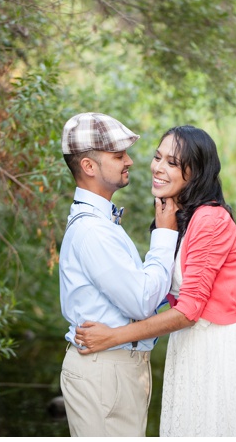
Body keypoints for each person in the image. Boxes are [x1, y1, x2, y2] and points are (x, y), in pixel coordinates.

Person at [75, 125, 236, 437]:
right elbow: (155, 291)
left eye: (172, 162)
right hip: (192, 346)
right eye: (158, 157)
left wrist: (114, 336)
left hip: (221, 348)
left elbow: (188, 311)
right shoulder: (177, 216)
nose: (157, 167)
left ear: (195, 173)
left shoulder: (210, 219)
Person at [59, 112, 179, 437]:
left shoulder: (102, 223)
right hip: (104, 370)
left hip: (115, 367)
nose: (129, 161)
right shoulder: (93, 231)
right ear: (89, 166)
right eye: (118, 155)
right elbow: (140, 301)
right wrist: (165, 234)